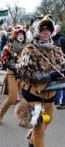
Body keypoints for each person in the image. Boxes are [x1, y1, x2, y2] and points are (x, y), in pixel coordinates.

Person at [16, 15, 65, 147]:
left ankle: (32, 139)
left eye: (48, 30)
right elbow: (25, 74)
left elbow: (62, 67)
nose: (45, 33)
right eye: (42, 30)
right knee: (40, 130)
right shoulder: (30, 50)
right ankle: (35, 139)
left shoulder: (56, 49)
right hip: (34, 96)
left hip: (50, 95)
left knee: (47, 121)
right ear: (37, 32)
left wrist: (61, 74)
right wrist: (50, 76)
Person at [0, 25, 26, 125]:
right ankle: (0, 115)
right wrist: (14, 65)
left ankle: (23, 119)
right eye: (19, 33)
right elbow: (2, 62)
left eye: (23, 33)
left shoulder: (27, 47)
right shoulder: (8, 46)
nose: (21, 35)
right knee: (12, 98)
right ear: (15, 35)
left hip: (23, 75)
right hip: (12, 74)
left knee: (25, 98)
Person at [52, 24, 65, 109]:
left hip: (62, 63)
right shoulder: (57, 38)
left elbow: (62, 51)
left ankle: (62, 101)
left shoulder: (61, 39)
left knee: (61, 83)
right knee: (57, 81)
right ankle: (58, 99)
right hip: (58, 63)